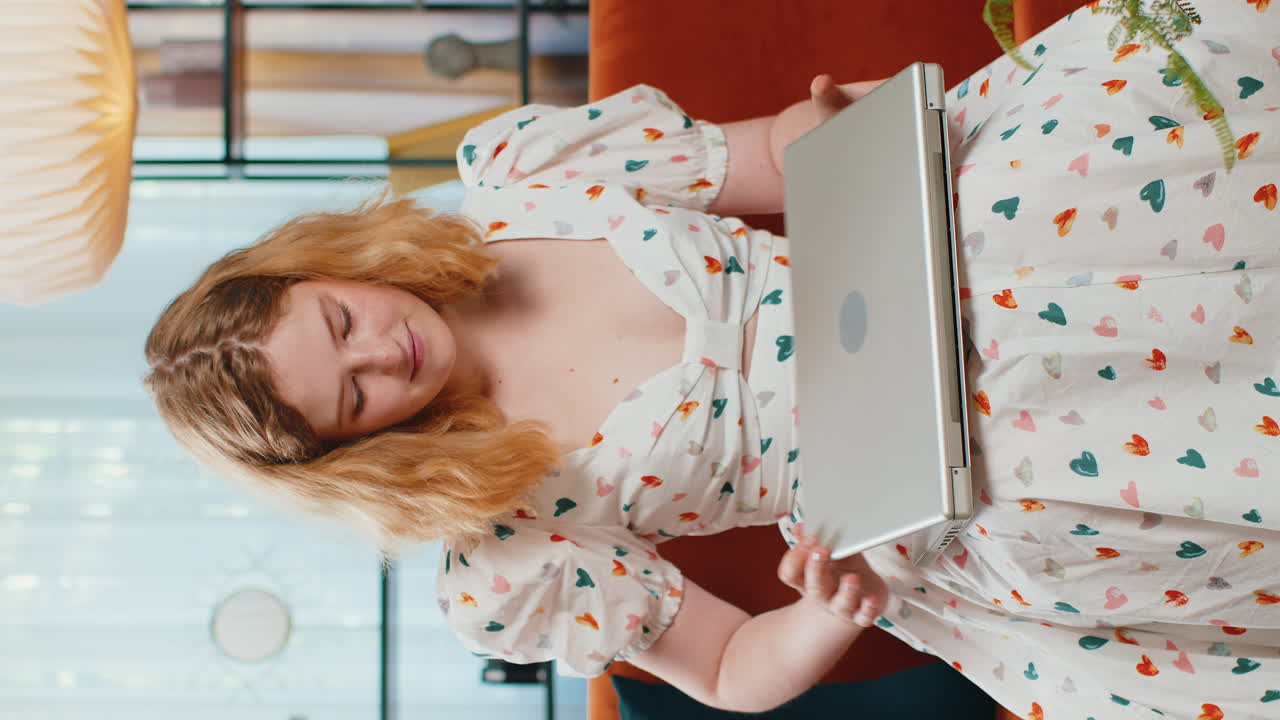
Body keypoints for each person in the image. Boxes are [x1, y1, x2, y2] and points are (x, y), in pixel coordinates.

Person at [145, 1, 1278, 717]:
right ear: (355, 450)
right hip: (950, 492)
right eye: (354, 398)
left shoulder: (521, 173)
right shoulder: (502, 554)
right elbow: (731, 671)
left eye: (343, 321)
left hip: (946, 244)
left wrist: (825, 129)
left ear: (323, 266)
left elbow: (771, 162)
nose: (385, 356)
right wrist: (832, 613)